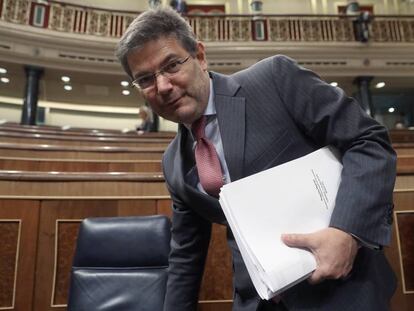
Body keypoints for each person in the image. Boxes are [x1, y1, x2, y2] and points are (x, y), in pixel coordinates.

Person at [116, 7, 397, 311]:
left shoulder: (274, 80)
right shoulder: (173, 165)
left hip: (341, 288)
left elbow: (369, 142)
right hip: (259, 302)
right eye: (145, 79)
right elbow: (185, 257)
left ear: (199, 55)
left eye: (172, 65)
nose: (162, 86)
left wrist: (347, 233)